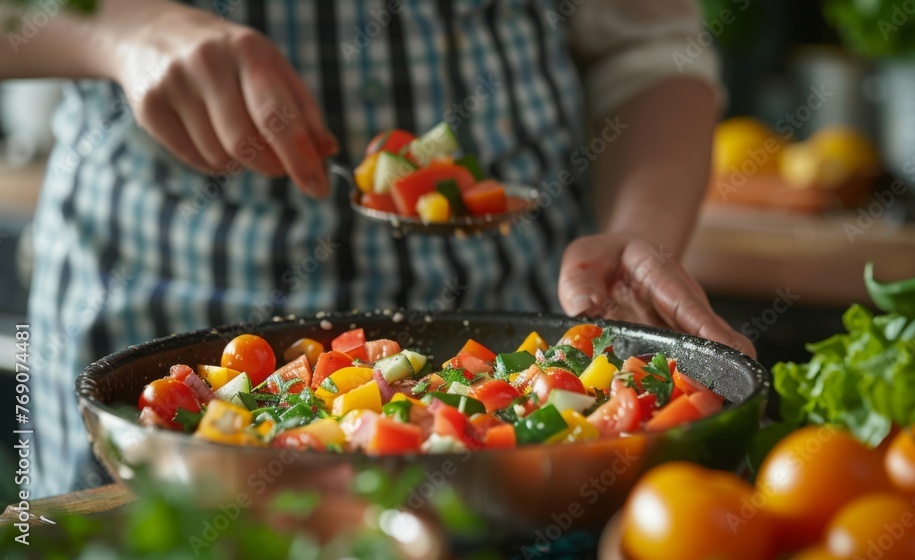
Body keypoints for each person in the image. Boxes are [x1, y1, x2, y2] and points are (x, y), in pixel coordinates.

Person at [1, 0, 753, 498]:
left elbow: (649, 53)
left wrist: (639, 229)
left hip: (527, 327)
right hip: (157, 298)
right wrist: (117, 29)